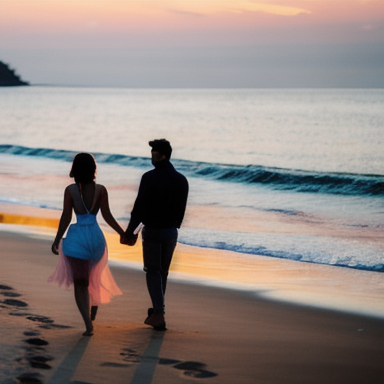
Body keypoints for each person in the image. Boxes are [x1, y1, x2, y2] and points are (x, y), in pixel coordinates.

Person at [49, 153, 124, 336]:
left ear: (75, 168)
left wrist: (57, 239)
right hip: (96, 239)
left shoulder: (70, 190)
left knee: (80, 283)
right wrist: (123, 233)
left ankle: (87, 324)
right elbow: (107, 216)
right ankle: (94, 304)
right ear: (93, 169)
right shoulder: (101, 190)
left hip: (78, 239)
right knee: (93, 276)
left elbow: (67, 216)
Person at [121, 139, 188, 331]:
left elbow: (139, 208)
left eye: (153, 153)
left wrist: (129, 231)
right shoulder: (181, 180)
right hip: (170, 232)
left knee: (152, 271)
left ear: (161, 155)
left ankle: (158, 314)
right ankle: (158, 311)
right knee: (162, 273)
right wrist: (175, 225)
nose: (151, 156)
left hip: (152, 230)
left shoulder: (149, 177)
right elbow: (181, 210)